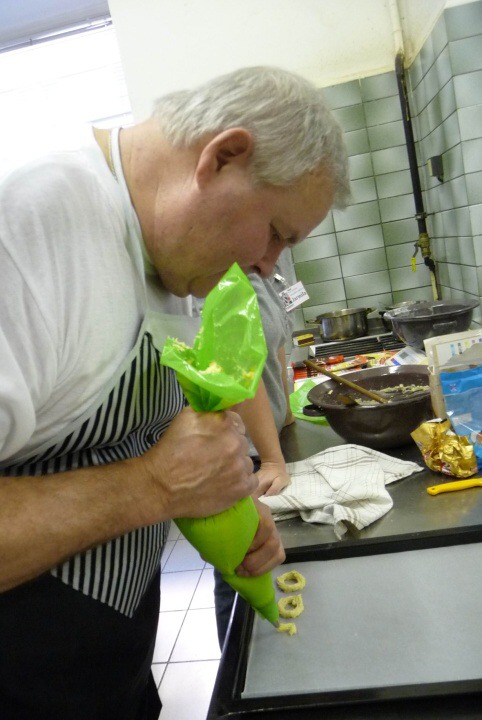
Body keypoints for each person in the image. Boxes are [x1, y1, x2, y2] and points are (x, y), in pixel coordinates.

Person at [0, 65, 350, 719]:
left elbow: (136, 441)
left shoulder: (171, 257)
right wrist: (152, 487)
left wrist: (225, 504)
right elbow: (147, 477)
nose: (269, 264)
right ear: (223, 157)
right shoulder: (36, 222)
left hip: (112, 676)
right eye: (276, 231)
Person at [213, 248, 299, 647]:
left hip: (265, 443)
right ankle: (243, 661)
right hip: (241, 455)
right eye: (278, 233)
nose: (276, 251)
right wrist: (271, 457)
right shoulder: (223, 270)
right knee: (244, 570)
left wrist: (286, 416)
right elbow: (238, 365)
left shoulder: (264, 270)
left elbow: (274, 346)